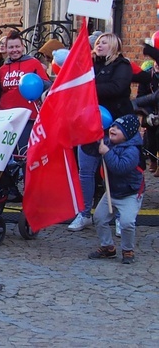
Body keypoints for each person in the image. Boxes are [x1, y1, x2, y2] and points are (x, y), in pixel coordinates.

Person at [70, 32, 133, 232]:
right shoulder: (89, 65)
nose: (99, 45)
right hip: (88, 124)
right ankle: (84, 213)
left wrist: (88, 87)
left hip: (114, 125)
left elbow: (117, 87)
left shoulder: (122, 65)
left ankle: (118, 216)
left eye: (104, 42)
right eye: (97, 42)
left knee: (115, 172)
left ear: (114, 46)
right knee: (86, 172)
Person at [87, 115, 143, 264]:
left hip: (129, 194)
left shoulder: (132, 151)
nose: (113, 129)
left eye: (118, 128)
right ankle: (107, 247)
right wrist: (91, 139)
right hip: (111, 191)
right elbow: (92, 151)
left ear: (128, 134)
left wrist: (107, 152)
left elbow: (120, 167)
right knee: (99, 218)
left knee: (127, 222)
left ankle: (128, 249)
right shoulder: (107, 142)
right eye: (112, 126)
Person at [0, 30, 51, 147]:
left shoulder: (33, 63)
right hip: (6, 117)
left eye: (17, 46)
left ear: (22, 47)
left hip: (28, 117)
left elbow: (47, 85)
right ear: (6, 49)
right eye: (11, 47)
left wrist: (35, 82)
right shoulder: (2, 69)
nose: (14, 50)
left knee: (23, 151)